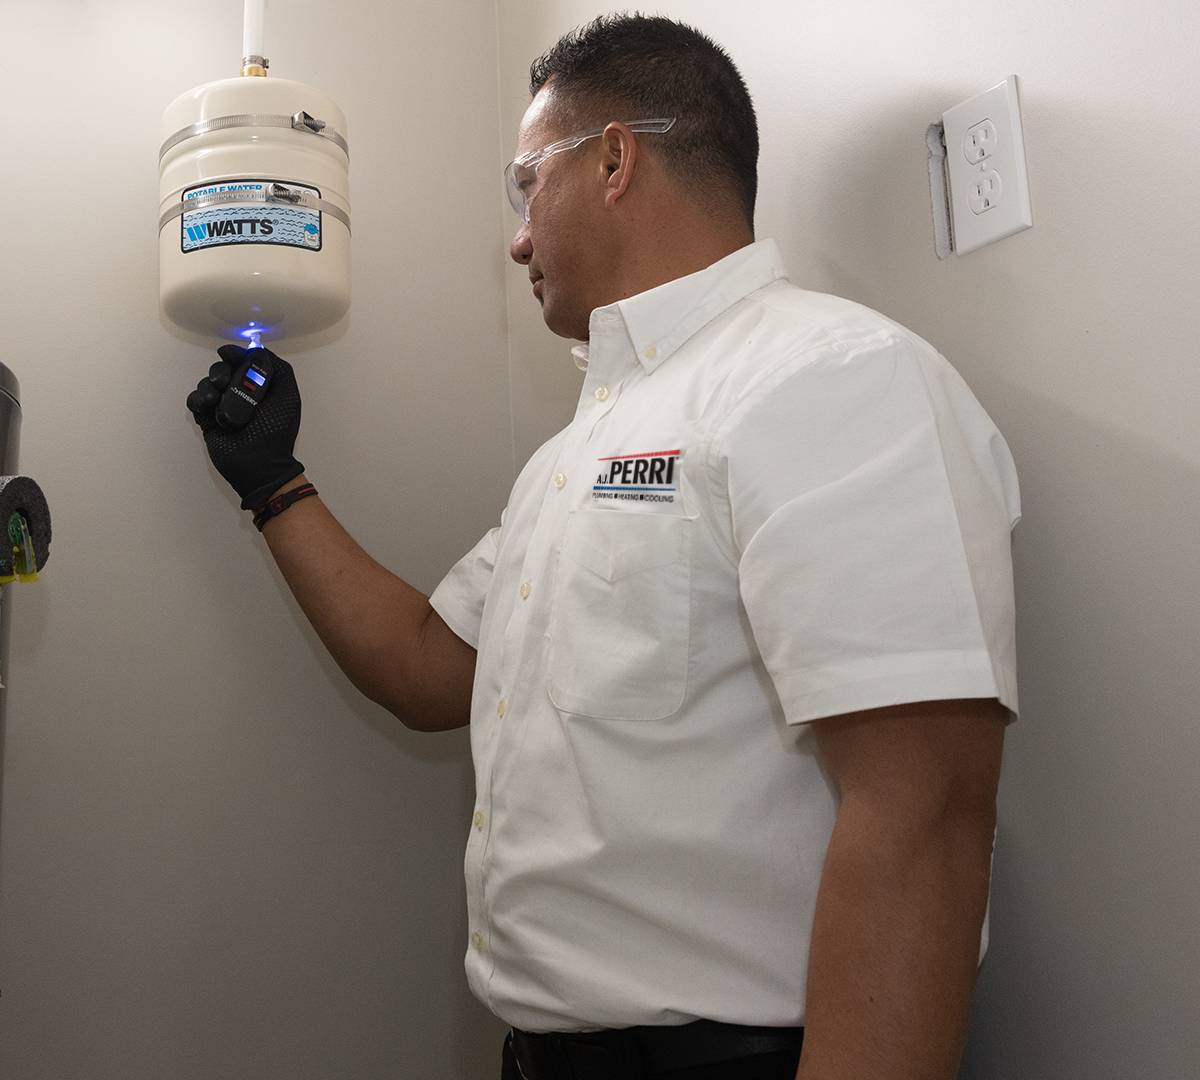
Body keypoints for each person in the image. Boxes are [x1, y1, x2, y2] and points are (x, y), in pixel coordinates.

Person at [184, 13, 1020, 1080]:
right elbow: (427, 669)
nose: (517, 239)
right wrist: (274, 485)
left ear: (614, 160)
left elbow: (927, 813)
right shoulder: (571, 457)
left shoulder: (829, 376)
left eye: (525, 184)